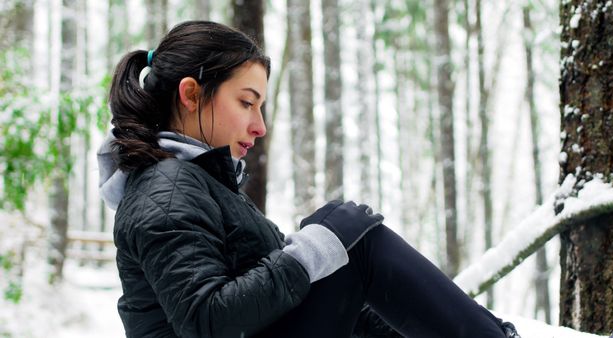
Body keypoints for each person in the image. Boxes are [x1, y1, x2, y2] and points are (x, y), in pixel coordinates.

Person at [98, 20, 520, 338]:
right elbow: (207, 319)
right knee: (351, 241)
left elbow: (309, 296)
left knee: (344, 243)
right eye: (247, 102)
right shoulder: (164, 188)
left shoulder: (199, 184)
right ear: (191, 95)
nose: (259, 126)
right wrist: (313, 251)